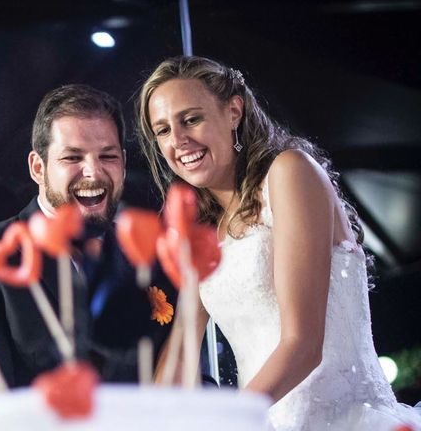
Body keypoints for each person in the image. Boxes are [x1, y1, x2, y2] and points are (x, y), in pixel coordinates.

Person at [136, 55, 421, 430]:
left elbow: (303, 344)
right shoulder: (200, 233)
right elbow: (182, 348)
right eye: (163, 130)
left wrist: (233, 420)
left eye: (191, 119)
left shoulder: (289, 172)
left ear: (234, 111)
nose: (179, 141)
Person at [0, 84, 176, 400]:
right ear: (38, 167)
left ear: (124, 163)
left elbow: (183, 379)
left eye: (108, 156)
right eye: (72, 157)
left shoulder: (149, 256)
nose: (93, 172)